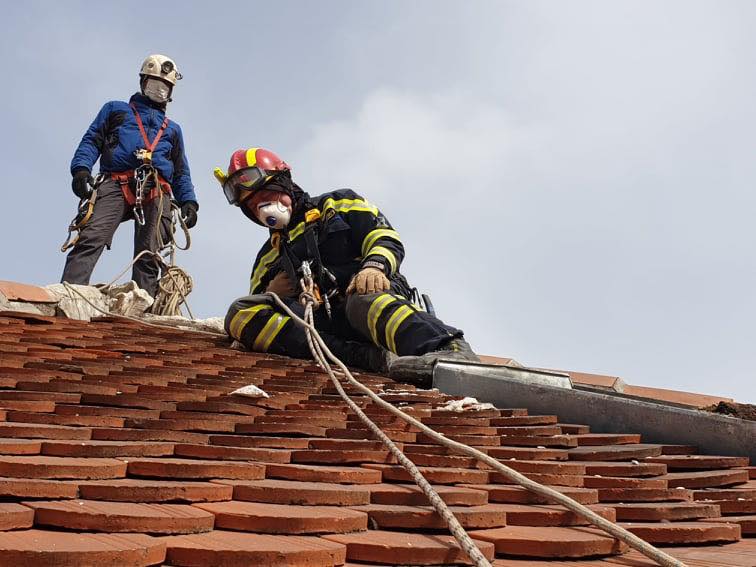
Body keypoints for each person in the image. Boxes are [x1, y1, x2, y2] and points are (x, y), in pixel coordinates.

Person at [216, 147, 478, 383]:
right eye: (252, 205)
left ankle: (448, 351)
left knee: (361, 302)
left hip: (368, 301)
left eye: (267, 194)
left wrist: (375, 267)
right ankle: (363, 358)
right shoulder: (268, 256)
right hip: (326, 329)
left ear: (285, 183)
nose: (262, 207)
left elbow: (384, 237)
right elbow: (258, 306)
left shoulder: (337, 204)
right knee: (240, 313)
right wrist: (272, 294)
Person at [61, 54, 198, 297]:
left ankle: (142, 304)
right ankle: (70, 295)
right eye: (156, 82)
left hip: (157, 187)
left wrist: (189, 201)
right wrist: (81, 170)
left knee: (150, 252)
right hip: (116, 182)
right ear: (143, 81)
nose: (160, 89)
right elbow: (92, 140)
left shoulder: (173, 129)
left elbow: (180, 171)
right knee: (91, 237)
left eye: (166, 85)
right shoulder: (116, 110)